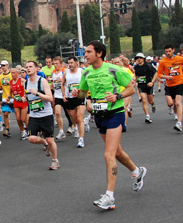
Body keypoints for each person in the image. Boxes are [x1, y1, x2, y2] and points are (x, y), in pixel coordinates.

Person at [75, 41, 147, 210]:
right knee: (118, 152)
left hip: (115, 113)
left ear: (99, 53)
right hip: (100, 115)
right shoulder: (86, 73)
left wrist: (117, 96)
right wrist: (77, 94)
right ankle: (137, 171)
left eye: (88, 52)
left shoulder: (113, 69)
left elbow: (130, 88)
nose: (85, 55)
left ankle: (109, 196)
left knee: (109, 155)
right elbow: (81, 93)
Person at [25, 61, 60, 170]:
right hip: (34, 115)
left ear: (36, 68)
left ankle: (55, 161)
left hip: (46, 115)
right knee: (31, 138)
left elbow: (50, 98)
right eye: (26, 67)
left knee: (51, 140)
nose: (28, 69)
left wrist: (37, 93)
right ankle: (44, 142)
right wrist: (24, 98)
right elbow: (28, 96)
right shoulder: (25, 82)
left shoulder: (42, 81)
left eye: (30, 67)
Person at [156, 44, 183, 132]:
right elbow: (159, 74)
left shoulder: (179, 58)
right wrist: (166, 77)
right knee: (174, 103)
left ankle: (179, 123)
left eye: (169, 51)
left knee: (178, 103)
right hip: (170, 85)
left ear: (173, 50)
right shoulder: (163, 61)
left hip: (179, 83)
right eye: (166, 51)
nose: (168, 53)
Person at [61, 56, 86, 148]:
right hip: (69, 98)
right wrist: (64, 95)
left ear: (76, 63)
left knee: (79, 118)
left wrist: (80, 90)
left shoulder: (81, 72)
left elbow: (86, 84)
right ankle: (83, 123)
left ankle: (81, 139)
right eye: (69, 63)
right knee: (75, 120)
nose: (70, 65)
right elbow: (62, 84)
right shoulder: (65, 73)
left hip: (80, 97)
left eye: (71, 63)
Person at [133, 53, 158, 124]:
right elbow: (136, 76)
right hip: (141, 86)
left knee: (150, 101)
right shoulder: (136, 67)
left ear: (143, 59)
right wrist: (134, 82)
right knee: (144, 100)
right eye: (137, 58)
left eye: (140, 58)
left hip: (148, 85)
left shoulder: (147, 66)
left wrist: (152, 82)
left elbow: (155, 73)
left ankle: (153, 104)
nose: (139, 59)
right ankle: (147, 116)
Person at [9, 68, 28, 140]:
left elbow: (28, 87)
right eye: (11, 73)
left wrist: (25, 96)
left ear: (17, 73)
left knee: (23, 119)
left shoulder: (21, 80)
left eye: (14, 73)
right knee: (18, 118)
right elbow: (10, 92)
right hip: (16, 102)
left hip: (23, 102)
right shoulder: (11, 82)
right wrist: (8, 97)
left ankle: (29, 129)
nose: (12, 74)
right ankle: (23, 131)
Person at [0, 60, 13, 137]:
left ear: (8, 65)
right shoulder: (0, 77)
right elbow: (0, 87)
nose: (3, 67)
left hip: (14, 97)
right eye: (2, 66)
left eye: (4, 65)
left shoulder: (12, 75)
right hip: (5, 97)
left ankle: (24, 128)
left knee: (19, 117)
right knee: (5, 113)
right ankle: (7, 129)